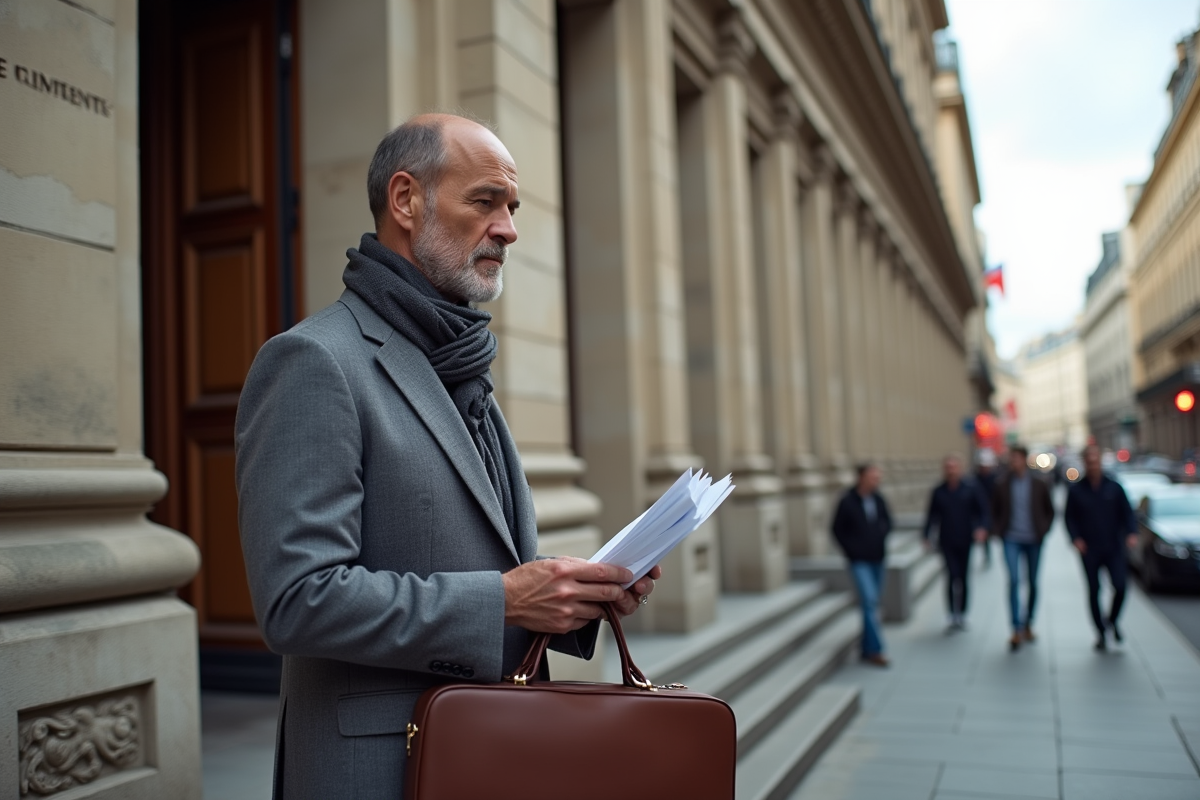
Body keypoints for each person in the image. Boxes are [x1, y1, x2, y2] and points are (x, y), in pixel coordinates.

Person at [235, 114, 660, 798]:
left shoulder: (459, 362)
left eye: (512, 208)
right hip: (380, 772)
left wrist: (576, 596)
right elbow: (297, 600)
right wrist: (505, 601)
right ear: (406, 200)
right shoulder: (314, 362)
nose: (508, 229)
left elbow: (479, 562)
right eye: (485, 201)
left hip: (488, 754)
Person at [1065, 445, 1139, 652]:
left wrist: (1131, 533)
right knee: (1094, 590)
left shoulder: (1114, 487)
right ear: (1085, 463)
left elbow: (1127, 513)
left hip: (1113, 547)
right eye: (1089, 462)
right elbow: (1069, 518)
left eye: (1096, 461)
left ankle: (1112, 620)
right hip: (1089, 549)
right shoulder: (1076, 490)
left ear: (1100, 462)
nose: (1093, 465)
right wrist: (1076, 539)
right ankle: (1100, 632)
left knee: (1120, 586)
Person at [991, 444, 1055, 652]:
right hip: (1011, 539)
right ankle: (1016, 628)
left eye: (1017, 458)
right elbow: (994, 510)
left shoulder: (1039, 483)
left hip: (1033, 539)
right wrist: (998, 531)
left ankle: (1028, 622)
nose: (1014, 462)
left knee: (1033, 583)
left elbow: (1050, 510)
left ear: (1025, 460)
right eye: (1012, 458)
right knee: (1013, 581)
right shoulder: (1002, 484)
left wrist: (1043, 530)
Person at [832, 463, 893, 667]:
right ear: (862, 477)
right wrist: (852, 550)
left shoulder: (878, 498)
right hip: (859, 560)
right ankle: (876, 650)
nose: (877, 480)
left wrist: (881, 536)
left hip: (878, 558)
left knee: (872, 603)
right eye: (873, 476)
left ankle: (866, 648)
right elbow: (837, 529)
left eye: (878, 476)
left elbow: (888, 522)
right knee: (869, 600)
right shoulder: (847, 501)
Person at [923, 454, 990, 631]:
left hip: (965, 539)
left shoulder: (970, 488)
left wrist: (982, 528)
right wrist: (926, 535)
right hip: (946, 540)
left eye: (954, 467)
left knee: (963, 577)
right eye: (948, 467)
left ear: (959, 469)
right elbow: (932, 515)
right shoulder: (939, 491)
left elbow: (983, 510)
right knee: (951, 576)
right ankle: (952, 613)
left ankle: (962, 612)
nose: (951, 471)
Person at [973, 448, 1000, 567]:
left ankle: (988, 554)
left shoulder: (995, 479)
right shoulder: (975, 479)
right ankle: (986, 554)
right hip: (979, 511)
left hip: (992, 510)